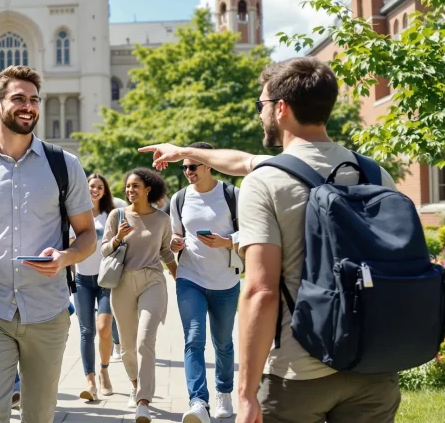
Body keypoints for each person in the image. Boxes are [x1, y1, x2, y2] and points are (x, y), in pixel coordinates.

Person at [139, 57, 401, 423]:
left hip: (299, 373)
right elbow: (241, 160)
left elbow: (260, 291)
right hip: (373, 369)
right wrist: (184, 151)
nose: (259, 114)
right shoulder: (374, 172)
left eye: (261, 105)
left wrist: (245, 393)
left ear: (281, 109)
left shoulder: (268, 182)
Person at [0, 65, 96, 423]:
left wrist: (65, 257)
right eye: (18, 98)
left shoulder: (64, 165)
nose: (28, 106)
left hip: (47, 310)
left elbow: (89, 236)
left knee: (39, 415)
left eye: (34, 99)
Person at [169, 142, 240, 423]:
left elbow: (252, 231)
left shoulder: (232, 194)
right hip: (190, 278)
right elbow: (175, 236)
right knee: (193, 339)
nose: (188, 171)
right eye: (184, 167)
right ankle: (198, 401)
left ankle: (224, 391)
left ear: (208, 164)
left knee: (223, 342)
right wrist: (174, 244)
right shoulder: (179, 199)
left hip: (225, 281)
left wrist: (226, 241)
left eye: (193, 166)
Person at [101, 167, 178, 423]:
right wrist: (117, 239)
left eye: (135, 186)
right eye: (128, 186)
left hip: (153, 280)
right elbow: (104, 250)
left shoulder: (162, 219)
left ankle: (143, 401)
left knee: (146, 340)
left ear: (148, 189)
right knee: (127, 348)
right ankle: (135, 384)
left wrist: (180, 277)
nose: (130, 190)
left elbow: (166, 252)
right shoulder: (117, 215)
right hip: (122, 283)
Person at [73, 173, 119, 401]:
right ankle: (90, 380)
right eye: (92, 186)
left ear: (104, 190)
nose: (95, 190)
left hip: (105, 281)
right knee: (86, 331)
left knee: (104, 328)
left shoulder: (110, 215)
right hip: (82, 280)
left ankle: (103, 369)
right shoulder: (76, 215)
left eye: (100, 186)